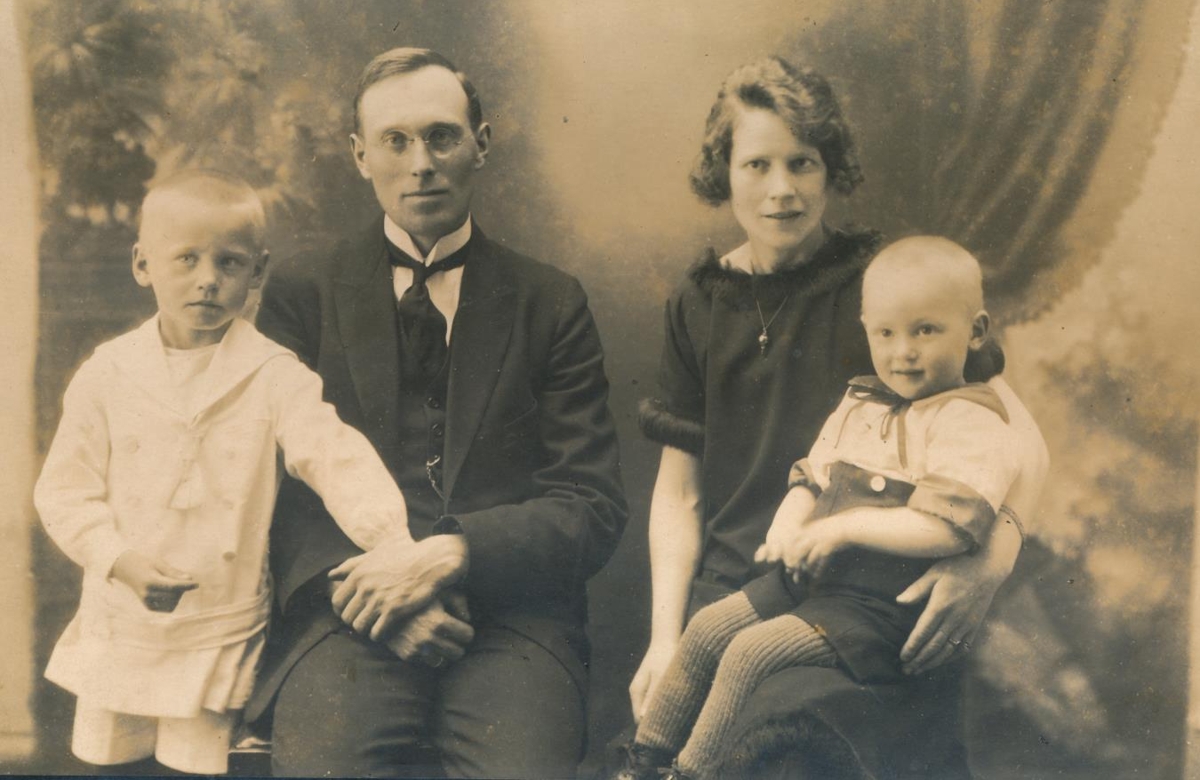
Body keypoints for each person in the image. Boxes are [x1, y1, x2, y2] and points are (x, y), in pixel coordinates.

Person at [627, 58, 1048, 779]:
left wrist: (992, 557)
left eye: (804, 162)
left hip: (867, 598)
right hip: (741, 585)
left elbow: (1018, 434)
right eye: (757, 164)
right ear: (724, 171)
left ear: (831, 169)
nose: (782, 189)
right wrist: (665, 639)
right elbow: (680, 493)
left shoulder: (885, 291)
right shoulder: (696, 303)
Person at [243, 47, 627, 778]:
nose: (420, 163)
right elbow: (270, 487)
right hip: (350, 611)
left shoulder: (549, 301)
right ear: (360, 155)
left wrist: (453, 553)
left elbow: (591, 504)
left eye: (441, 137)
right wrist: (375, 593)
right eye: (395, 141)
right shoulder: (304, 293)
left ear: (481, 144)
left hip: (510, 618)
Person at [34, 170, 417, 775]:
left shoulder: (272, 374)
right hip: (122, 620)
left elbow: (337, 457)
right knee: (113, 763)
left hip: (220, 623)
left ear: (258, 272)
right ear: (143, 264)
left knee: (200, 765)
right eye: (186, 259)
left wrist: (394, 544)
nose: (208, 279)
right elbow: (64, 492)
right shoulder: (107, 374)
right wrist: (117, 558)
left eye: (229, 262)